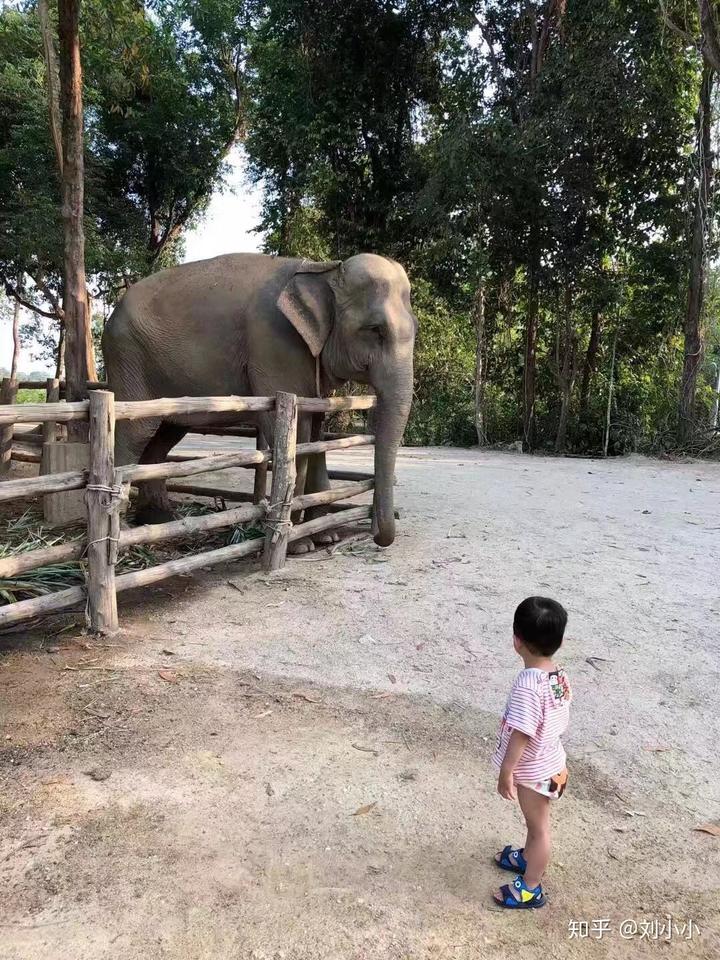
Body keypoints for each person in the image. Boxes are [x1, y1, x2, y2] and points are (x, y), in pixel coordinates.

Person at [492, 596, 572, 909]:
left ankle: (531, 886)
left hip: (535, 772)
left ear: (516, 641)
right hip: (553, 763)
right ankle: (526, 857)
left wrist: (507, 770)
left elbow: (522, 732)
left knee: (539, 830)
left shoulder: (528, 684)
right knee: (534, 824)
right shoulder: (558, 675)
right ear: (559, 642)